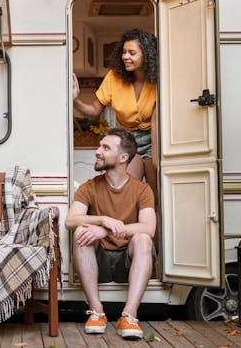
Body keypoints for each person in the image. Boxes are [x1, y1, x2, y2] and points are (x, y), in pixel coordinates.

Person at [65, 128, 156, 340]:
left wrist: (104, 230)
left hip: (128, 262)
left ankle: (130, 315)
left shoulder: (141, 190)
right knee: (81, 231)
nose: (97, 151)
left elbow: (148, 227)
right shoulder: (89, 187)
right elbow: (71, 220)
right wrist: (100, 220)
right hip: (100, 264)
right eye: (99, 146)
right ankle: (96, 311)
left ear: (123, 157)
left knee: (143, 239)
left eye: (105, 148)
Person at [73, 29, 158, 194]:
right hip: (127, 138)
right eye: (124, 52)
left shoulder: (159, 79)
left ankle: (153, 219)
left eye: (132, 53)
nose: (125, 56)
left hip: (154, 136)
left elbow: (157, 122)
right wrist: (76, 100)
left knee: (155, 192)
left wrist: (155, 158)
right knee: (125, 191)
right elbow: (94, 111)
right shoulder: (113, 77)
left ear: (146, 55)